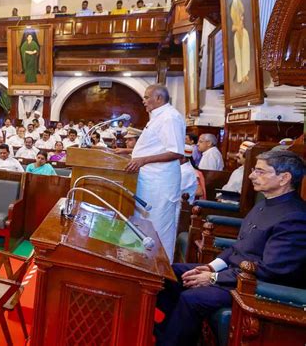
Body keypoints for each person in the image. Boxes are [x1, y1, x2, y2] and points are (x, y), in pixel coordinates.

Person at [155, 150, 306, 346]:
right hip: (235, 274)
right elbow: (240, 246)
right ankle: (169, 332)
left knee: (191, 298)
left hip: (255, 287)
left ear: (284, 178)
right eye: (253, 170)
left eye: (260, 171)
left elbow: (272, 270)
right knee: (171, 273)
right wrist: (212, 267)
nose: (251, 175)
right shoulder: (264, 204)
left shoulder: (295, 217)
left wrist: (214, 278)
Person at [125, 85, 185, 262]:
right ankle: (142, 264)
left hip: (160, 184)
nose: (143, 100)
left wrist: (142, 160)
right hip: (149, 182)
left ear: (159, 98)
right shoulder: (158, 117)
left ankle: (159, 269)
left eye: (146, 97)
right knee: (144, 225)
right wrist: (126, 152)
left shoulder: (170, 117)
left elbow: (175, 152)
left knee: (157, 226)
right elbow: (155, 147)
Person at [230, 0, 250, 84]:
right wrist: (237, 27)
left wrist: (241, 24)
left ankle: (245, 74)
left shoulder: (241, 8)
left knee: (245, 54)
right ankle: (240, 76)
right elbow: (233, 27)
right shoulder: (232, 12)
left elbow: (242, 18)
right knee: (238, 55)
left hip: (244, 34)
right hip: (237, 36)